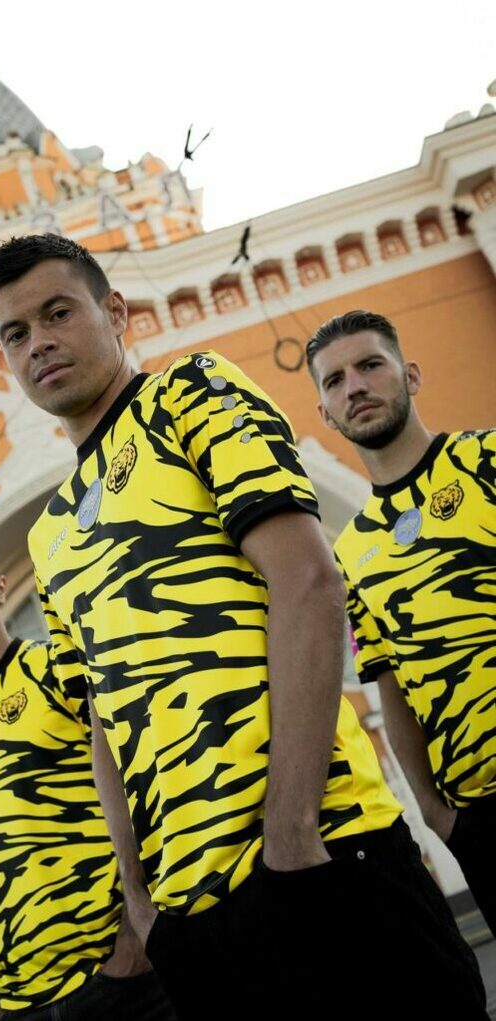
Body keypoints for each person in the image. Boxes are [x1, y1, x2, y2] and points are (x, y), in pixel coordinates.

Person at [0, 234, 488, 1019]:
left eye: (58, 313)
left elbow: (308, 580)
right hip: (193, 919)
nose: (38, 342)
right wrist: (141, 899)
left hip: (323, 853)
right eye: (15, 333)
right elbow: (102, 725)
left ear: (115, 311)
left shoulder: (190, 393)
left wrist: (291, 832)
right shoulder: (48, 538)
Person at [0, 526, 175, 1021]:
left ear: (0, 587)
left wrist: (133, 941)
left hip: (124, 974)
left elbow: (146, 788)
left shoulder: (62, 669)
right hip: (20, 1002)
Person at [306, 308, 495, 937]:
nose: (355, 386)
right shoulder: (352, 551)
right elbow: (390, 687)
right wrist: (437, 815)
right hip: (480, 818)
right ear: (325, 413)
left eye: (370, 365)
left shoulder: (486, 460)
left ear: (410, 375)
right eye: (335, 381)